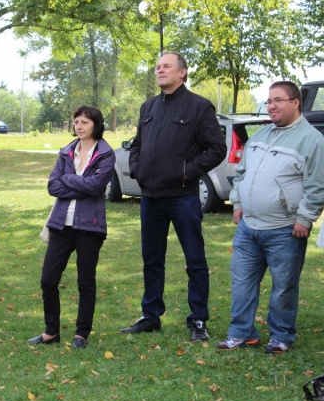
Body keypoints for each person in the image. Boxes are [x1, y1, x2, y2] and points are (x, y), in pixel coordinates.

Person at [119, 51, 226, 341]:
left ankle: (198, 320)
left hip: (182, 197)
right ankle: (151, 316)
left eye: (166, 66)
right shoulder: (148, 106)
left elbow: (217, 148)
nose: (160, 71)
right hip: (151, 198)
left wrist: (186, 172)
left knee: (195, 260)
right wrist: (137, 169)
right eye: (157, 67)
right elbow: (137, 145)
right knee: (151, 260)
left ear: (182, 72)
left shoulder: (199, 106)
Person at [216, 81, 324, 353]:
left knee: (284, 286)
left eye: (278, 100)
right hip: (248, 227)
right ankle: (241, 333)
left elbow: (317, 184)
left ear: (295, 102)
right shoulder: (261, 135)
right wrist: (238, 202)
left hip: (285, 229)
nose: (271, 106)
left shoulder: (312, 140)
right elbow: (242, 172)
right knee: (241, 283)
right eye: (269, 101)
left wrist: (305, 218)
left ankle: (281, 336)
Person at [27, 106, 115, 350]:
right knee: (48, 279)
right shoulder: (66, 151)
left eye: (84, 122)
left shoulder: (106, 154)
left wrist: (68, 179)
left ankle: (81, 334)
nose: (79, 126)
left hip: (90, 226)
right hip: (61, 223)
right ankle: (51, 332)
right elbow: (53, 186)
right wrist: (80, 183)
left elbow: (96, 186)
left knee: (85, 281)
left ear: (96, 124)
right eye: (76, 122)